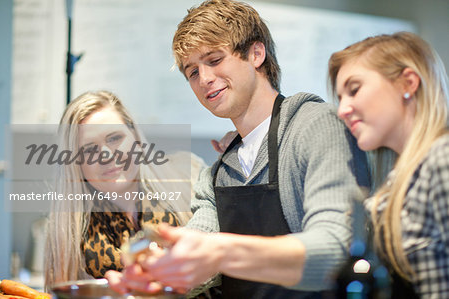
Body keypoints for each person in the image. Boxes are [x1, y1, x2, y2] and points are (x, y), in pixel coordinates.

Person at [107, 0, 371, 298]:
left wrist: (221, 251)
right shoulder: (218, 172)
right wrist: (156, 275)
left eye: (215, 60)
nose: (204, 79)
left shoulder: (316, 127)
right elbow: (197, 250)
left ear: (256, 54)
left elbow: (337, 250)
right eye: (192, 72)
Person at [44, 91, 207, 287]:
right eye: (88, 149)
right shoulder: (66, 229)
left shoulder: (189, 173)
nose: (105, 155)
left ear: (135, 137)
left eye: (114, 138)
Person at [329, 32, 449, 298]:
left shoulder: (442, 159)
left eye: (354, 89)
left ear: (407, 83)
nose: (342, 109)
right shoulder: (398, 181)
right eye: (340, 98)